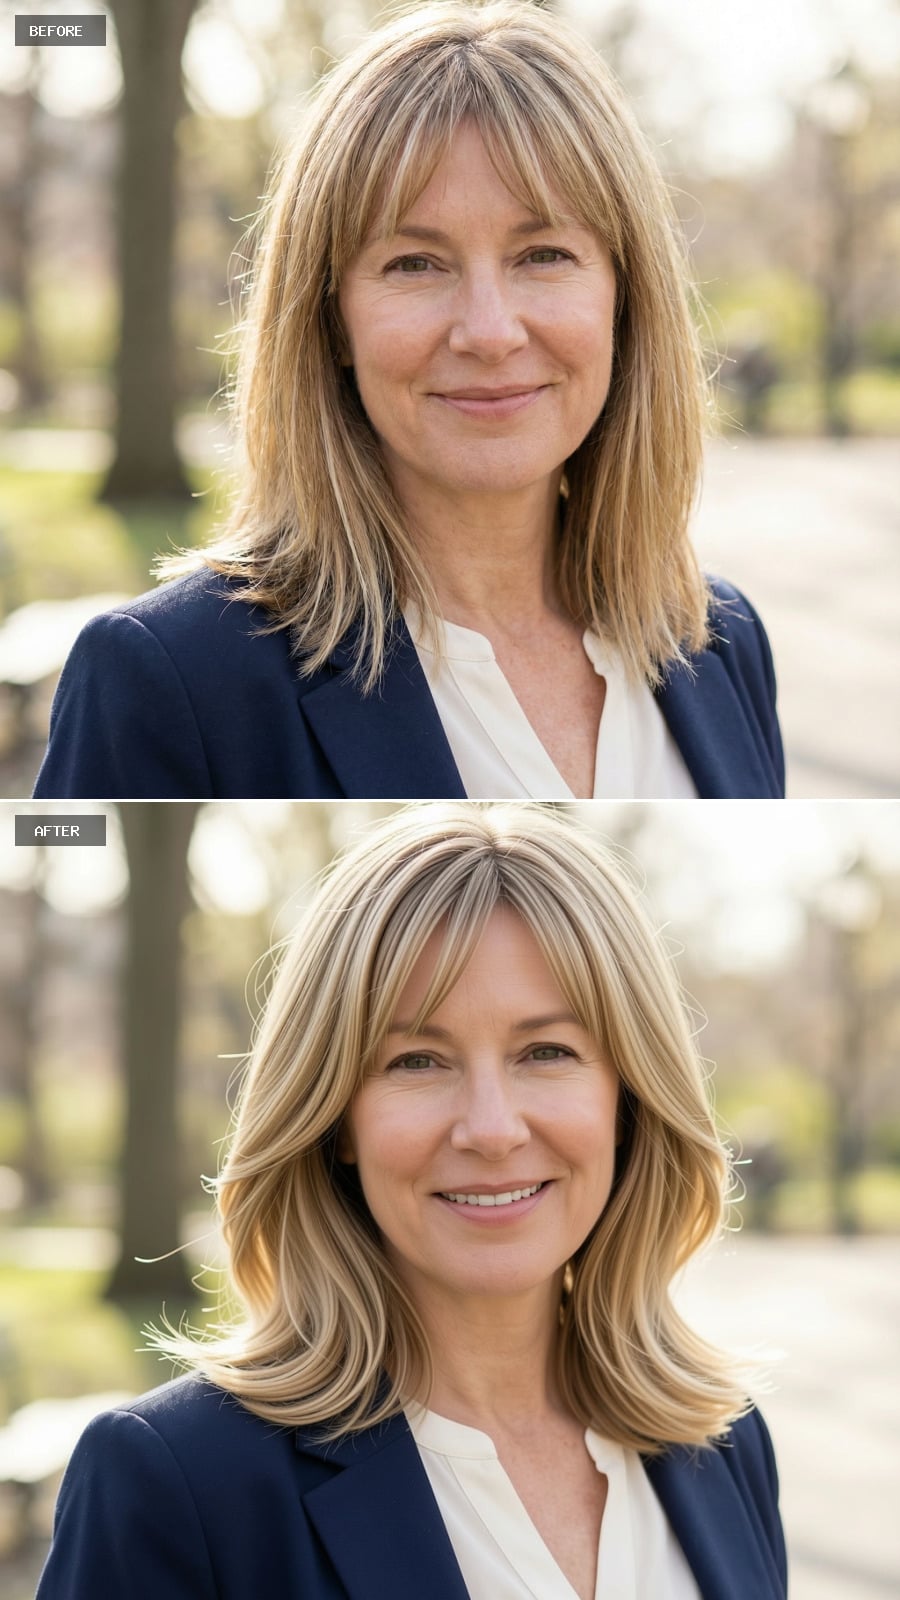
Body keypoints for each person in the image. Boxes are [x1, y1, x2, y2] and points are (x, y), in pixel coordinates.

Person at [34, 1, 783, 801]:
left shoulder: (721, 640)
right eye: (415, 264)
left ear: (625, 299)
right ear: (330, 318)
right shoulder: (168, 677)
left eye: (544, 254)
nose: (490, 332)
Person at [37, 803, 788, 1600]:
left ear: (627, 1100)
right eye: (418, 1061)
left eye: (547, 1051)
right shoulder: (178, 1482)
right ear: (336, 1120)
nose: (493, 1130)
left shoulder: (724, 1443)